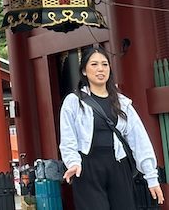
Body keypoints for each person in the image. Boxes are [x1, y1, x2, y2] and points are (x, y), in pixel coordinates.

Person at [60, 45, 165, 209]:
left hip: (118, 165)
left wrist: (151, 177)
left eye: (104, 64)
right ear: (84, 71)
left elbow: (139, 139)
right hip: (87, 167)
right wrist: (73, 162)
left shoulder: (122, 103)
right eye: (94, 64)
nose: (100, 69)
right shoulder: (74, 101)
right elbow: (68, 138)